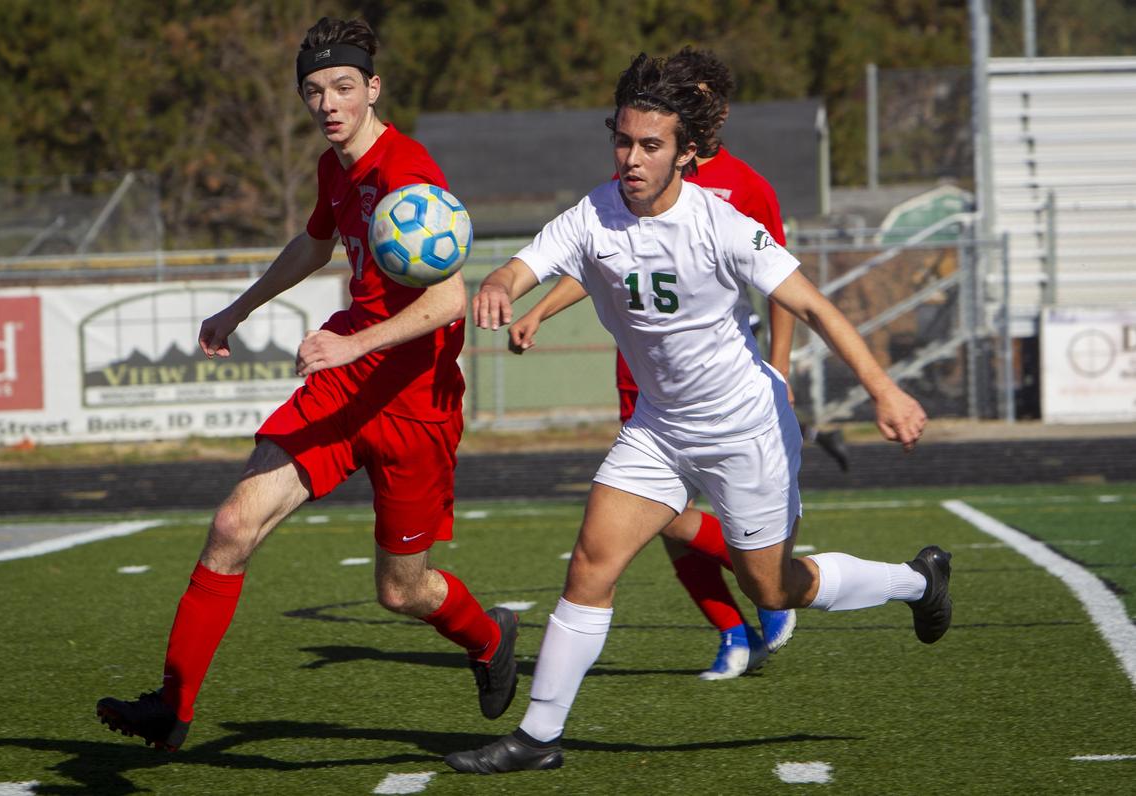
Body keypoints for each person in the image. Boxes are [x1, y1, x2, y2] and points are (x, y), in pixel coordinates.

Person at [445, 51, 951, 774]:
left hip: (746, 430)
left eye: (650, 145)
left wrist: (883, 388)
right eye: (623, 140)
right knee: (591, 564)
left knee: (774, 587)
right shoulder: (593, 212)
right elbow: (527, 264)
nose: (631, 158)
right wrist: (500, 285)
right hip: (659, 431)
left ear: (688, 152)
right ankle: (538, 739)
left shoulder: (722, 222)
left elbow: (811, 304)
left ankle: (916, 582)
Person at [95, 16, 518, 752]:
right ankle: (172, 709)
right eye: (315, 91)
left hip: (415, 406)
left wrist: (353, 341)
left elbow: (451, 299)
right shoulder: (336, 168)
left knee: (402, 590)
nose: (329, 103)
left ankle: (488, 637)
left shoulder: (406, 172)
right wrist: (239, 308)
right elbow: (315, 243)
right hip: (342, 390)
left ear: (373, 88)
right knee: (233, 524)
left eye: (344, 87)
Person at [504, 47, 800, 681]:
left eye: (691, 98)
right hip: (643, 379)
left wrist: (781, 368)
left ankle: (764, 583)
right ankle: (730, 628)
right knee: (653, 515)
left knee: (661, 514)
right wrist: (539, 310)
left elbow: (784, 288)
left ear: (708, 116)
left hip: (721, 385)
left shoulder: (746, 190)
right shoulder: (625, 184)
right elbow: (601, 257)